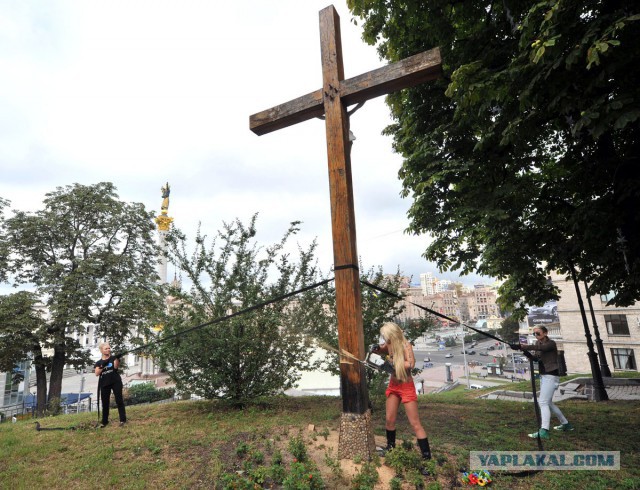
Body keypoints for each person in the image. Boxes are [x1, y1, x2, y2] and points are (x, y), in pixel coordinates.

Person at [372, 322, 431, 466]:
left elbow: (411, 364)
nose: (385, 339)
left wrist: (393, 364)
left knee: (415, 423)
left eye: (386, 336)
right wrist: (375, 349)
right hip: (394, 386)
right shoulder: (389, 344)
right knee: (389, 420)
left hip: (406, 386)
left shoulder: (405, 345)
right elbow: (380, 350)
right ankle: (390, 448)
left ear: (392, 334)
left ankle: (427, 459)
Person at [511, 326, 573, 439]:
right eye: (534, 334)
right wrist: (523, 350)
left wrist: (522, 346)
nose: (536, 336)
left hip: (551, 376)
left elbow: (543, 348)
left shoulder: (551, 343)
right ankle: (566, 424)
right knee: (548, 403)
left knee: (543, 402)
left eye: (538, 333)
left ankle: (544, 430)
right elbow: (535, 358)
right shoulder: (538, 344)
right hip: (544, 376)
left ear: (545, 333)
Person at [94, 342, 127, 427]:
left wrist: (117, 359)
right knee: (105, 403)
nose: (108, 350)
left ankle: (122, 420)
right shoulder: (99, 362)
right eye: (106, 348)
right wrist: (103, 365)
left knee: (119, 400)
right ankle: (104, 422)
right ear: (101, 350)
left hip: (115, 382)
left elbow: (115, 367)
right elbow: (97, 373)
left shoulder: (113, 358)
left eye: (109, 348)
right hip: (104, 384)